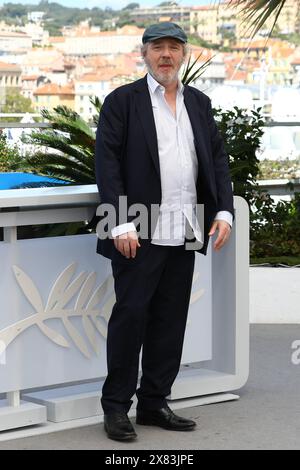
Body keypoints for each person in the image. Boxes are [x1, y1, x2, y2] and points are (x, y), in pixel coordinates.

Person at [95, 22, 234, 442]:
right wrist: (119, 220)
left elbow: (216, 159)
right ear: (145, 54)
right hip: (135, 225)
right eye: (158, 48)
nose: (166, 55)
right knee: (130, 318)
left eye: (174, 47)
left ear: (184, 54)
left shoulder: (200, 103)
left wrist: (224, 211)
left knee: (171, 320)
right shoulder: (122, 102)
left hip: (188, 222)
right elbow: (107, 165)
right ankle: (116, 408)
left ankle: (155, 402)